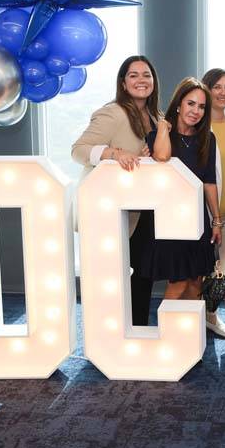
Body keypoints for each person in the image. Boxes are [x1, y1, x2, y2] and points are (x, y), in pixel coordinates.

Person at [71, 55, 159, 326]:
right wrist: (113, 153)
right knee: (110, 278)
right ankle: (108, 334)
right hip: (110, 212)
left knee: (143, 274)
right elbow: (79, 150)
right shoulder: (113, 112)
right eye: (133, 75)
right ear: (123, 83)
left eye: (146, 74)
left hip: (143, 209)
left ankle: (137, 330)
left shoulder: (157, 117)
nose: (141, 80)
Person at [144, 78, 222, 301]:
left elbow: (209, 181)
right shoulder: (158, 136)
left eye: (202, 107)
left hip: (198, 219)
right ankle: (168, 326)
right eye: (191, 103)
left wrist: (216, 221)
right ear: (178, 104)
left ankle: (191, 325)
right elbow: (161, 156)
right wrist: (162, 127)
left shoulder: (207, 138)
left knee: (196, 283)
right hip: (171, 221)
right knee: (178, 283)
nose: (196, 111)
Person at [200, 68, 225, 339]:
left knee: (220, 272)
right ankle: (193, 322)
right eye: (217, 87)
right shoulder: (199, 125)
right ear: (207, 89)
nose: (223, 92)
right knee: (197, 273)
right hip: (204, 213)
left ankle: (211, 317)